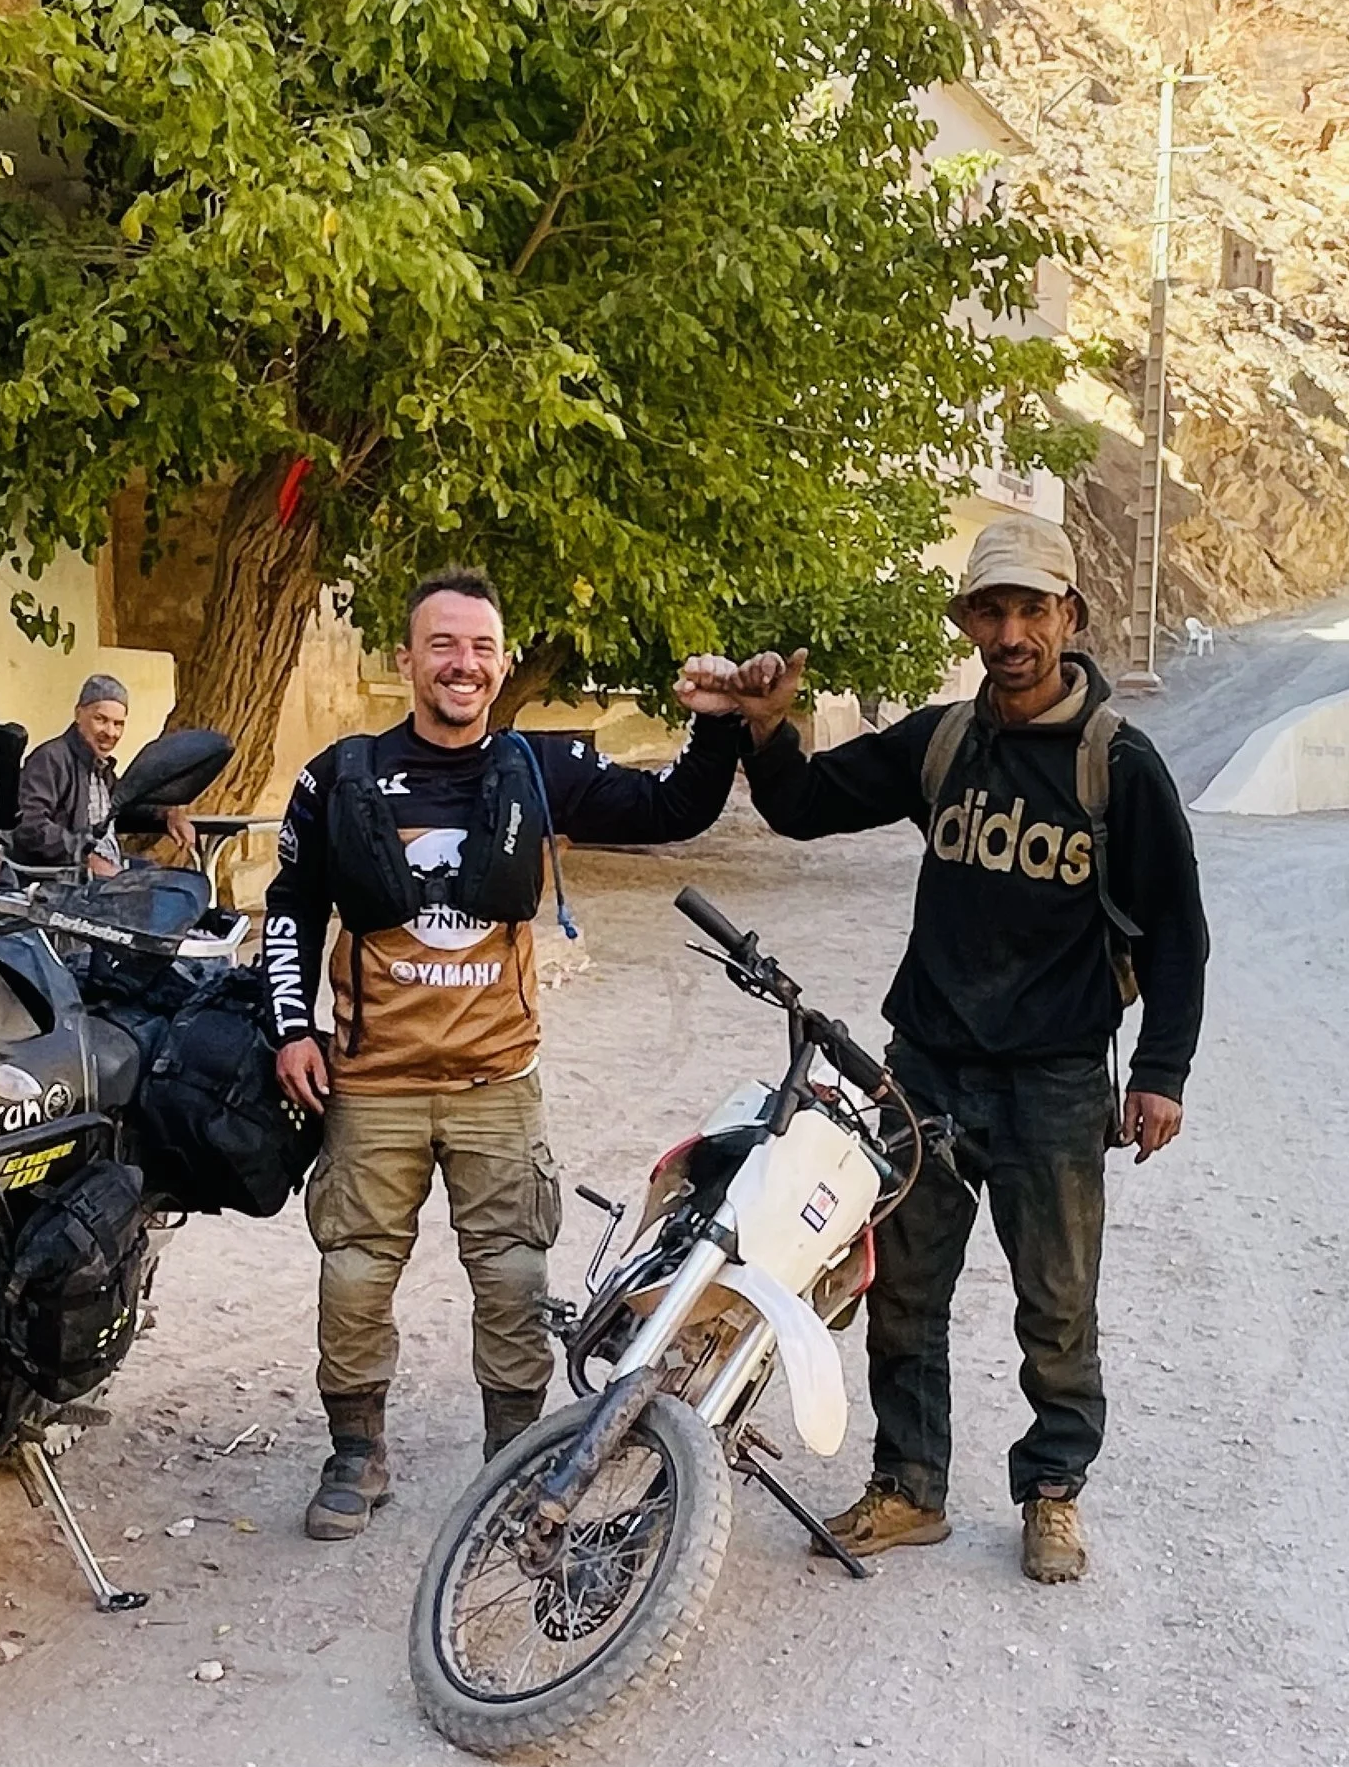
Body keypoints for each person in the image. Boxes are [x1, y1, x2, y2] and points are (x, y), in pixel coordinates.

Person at [679, 515, 1207, 1585]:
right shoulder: (942, 742)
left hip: (1055, 1082)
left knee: (1055, 1304)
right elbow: (806, 806)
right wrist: (768, 731)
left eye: (1031, 610)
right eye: (989, 611)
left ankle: (1052, 1493)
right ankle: (910, 1487)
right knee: (903, 1291)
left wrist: (1160, 1075)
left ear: (1070, 615)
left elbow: (1178, 931)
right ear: (967, 621)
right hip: (922, 1069)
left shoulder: (1120, 766)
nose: (1010, 633)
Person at [264, 567, 748, 1541]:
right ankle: (355, 1450)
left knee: (515, 1281)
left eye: (482, 647)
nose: (463, 664)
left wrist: (721, 721)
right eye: (443, 645)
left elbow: (672, 812)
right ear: (405, 660)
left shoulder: (536, 768)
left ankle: (513, 1459)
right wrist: (289, 1029)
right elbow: (289, 911)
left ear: (501, 662)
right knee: (354, 1272)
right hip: (373, 1084)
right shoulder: (341, 775)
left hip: (496, 1085)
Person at [15, 674, 132, 874]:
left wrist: (168, 814)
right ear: (78, 715)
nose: (111, 732)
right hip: (68, 881)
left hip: (111, 871)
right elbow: (31, 827)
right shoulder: (51, 759)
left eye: (118, 724)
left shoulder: (103, 770)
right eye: (101, 719)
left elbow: (127, 803)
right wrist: (86, 858)